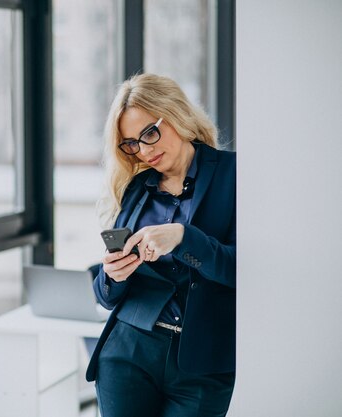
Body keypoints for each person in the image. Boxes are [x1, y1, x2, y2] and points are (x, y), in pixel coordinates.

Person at [86, 73, 236, 417]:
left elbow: (242, 269)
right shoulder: (136, 188)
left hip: (202, 364)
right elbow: (106, 296)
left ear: (177, 115)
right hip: (127, 353)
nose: (145, 150)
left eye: (150, 133)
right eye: (131, 144)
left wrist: (184, 237)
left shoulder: (236, 175)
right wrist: (113, 276)